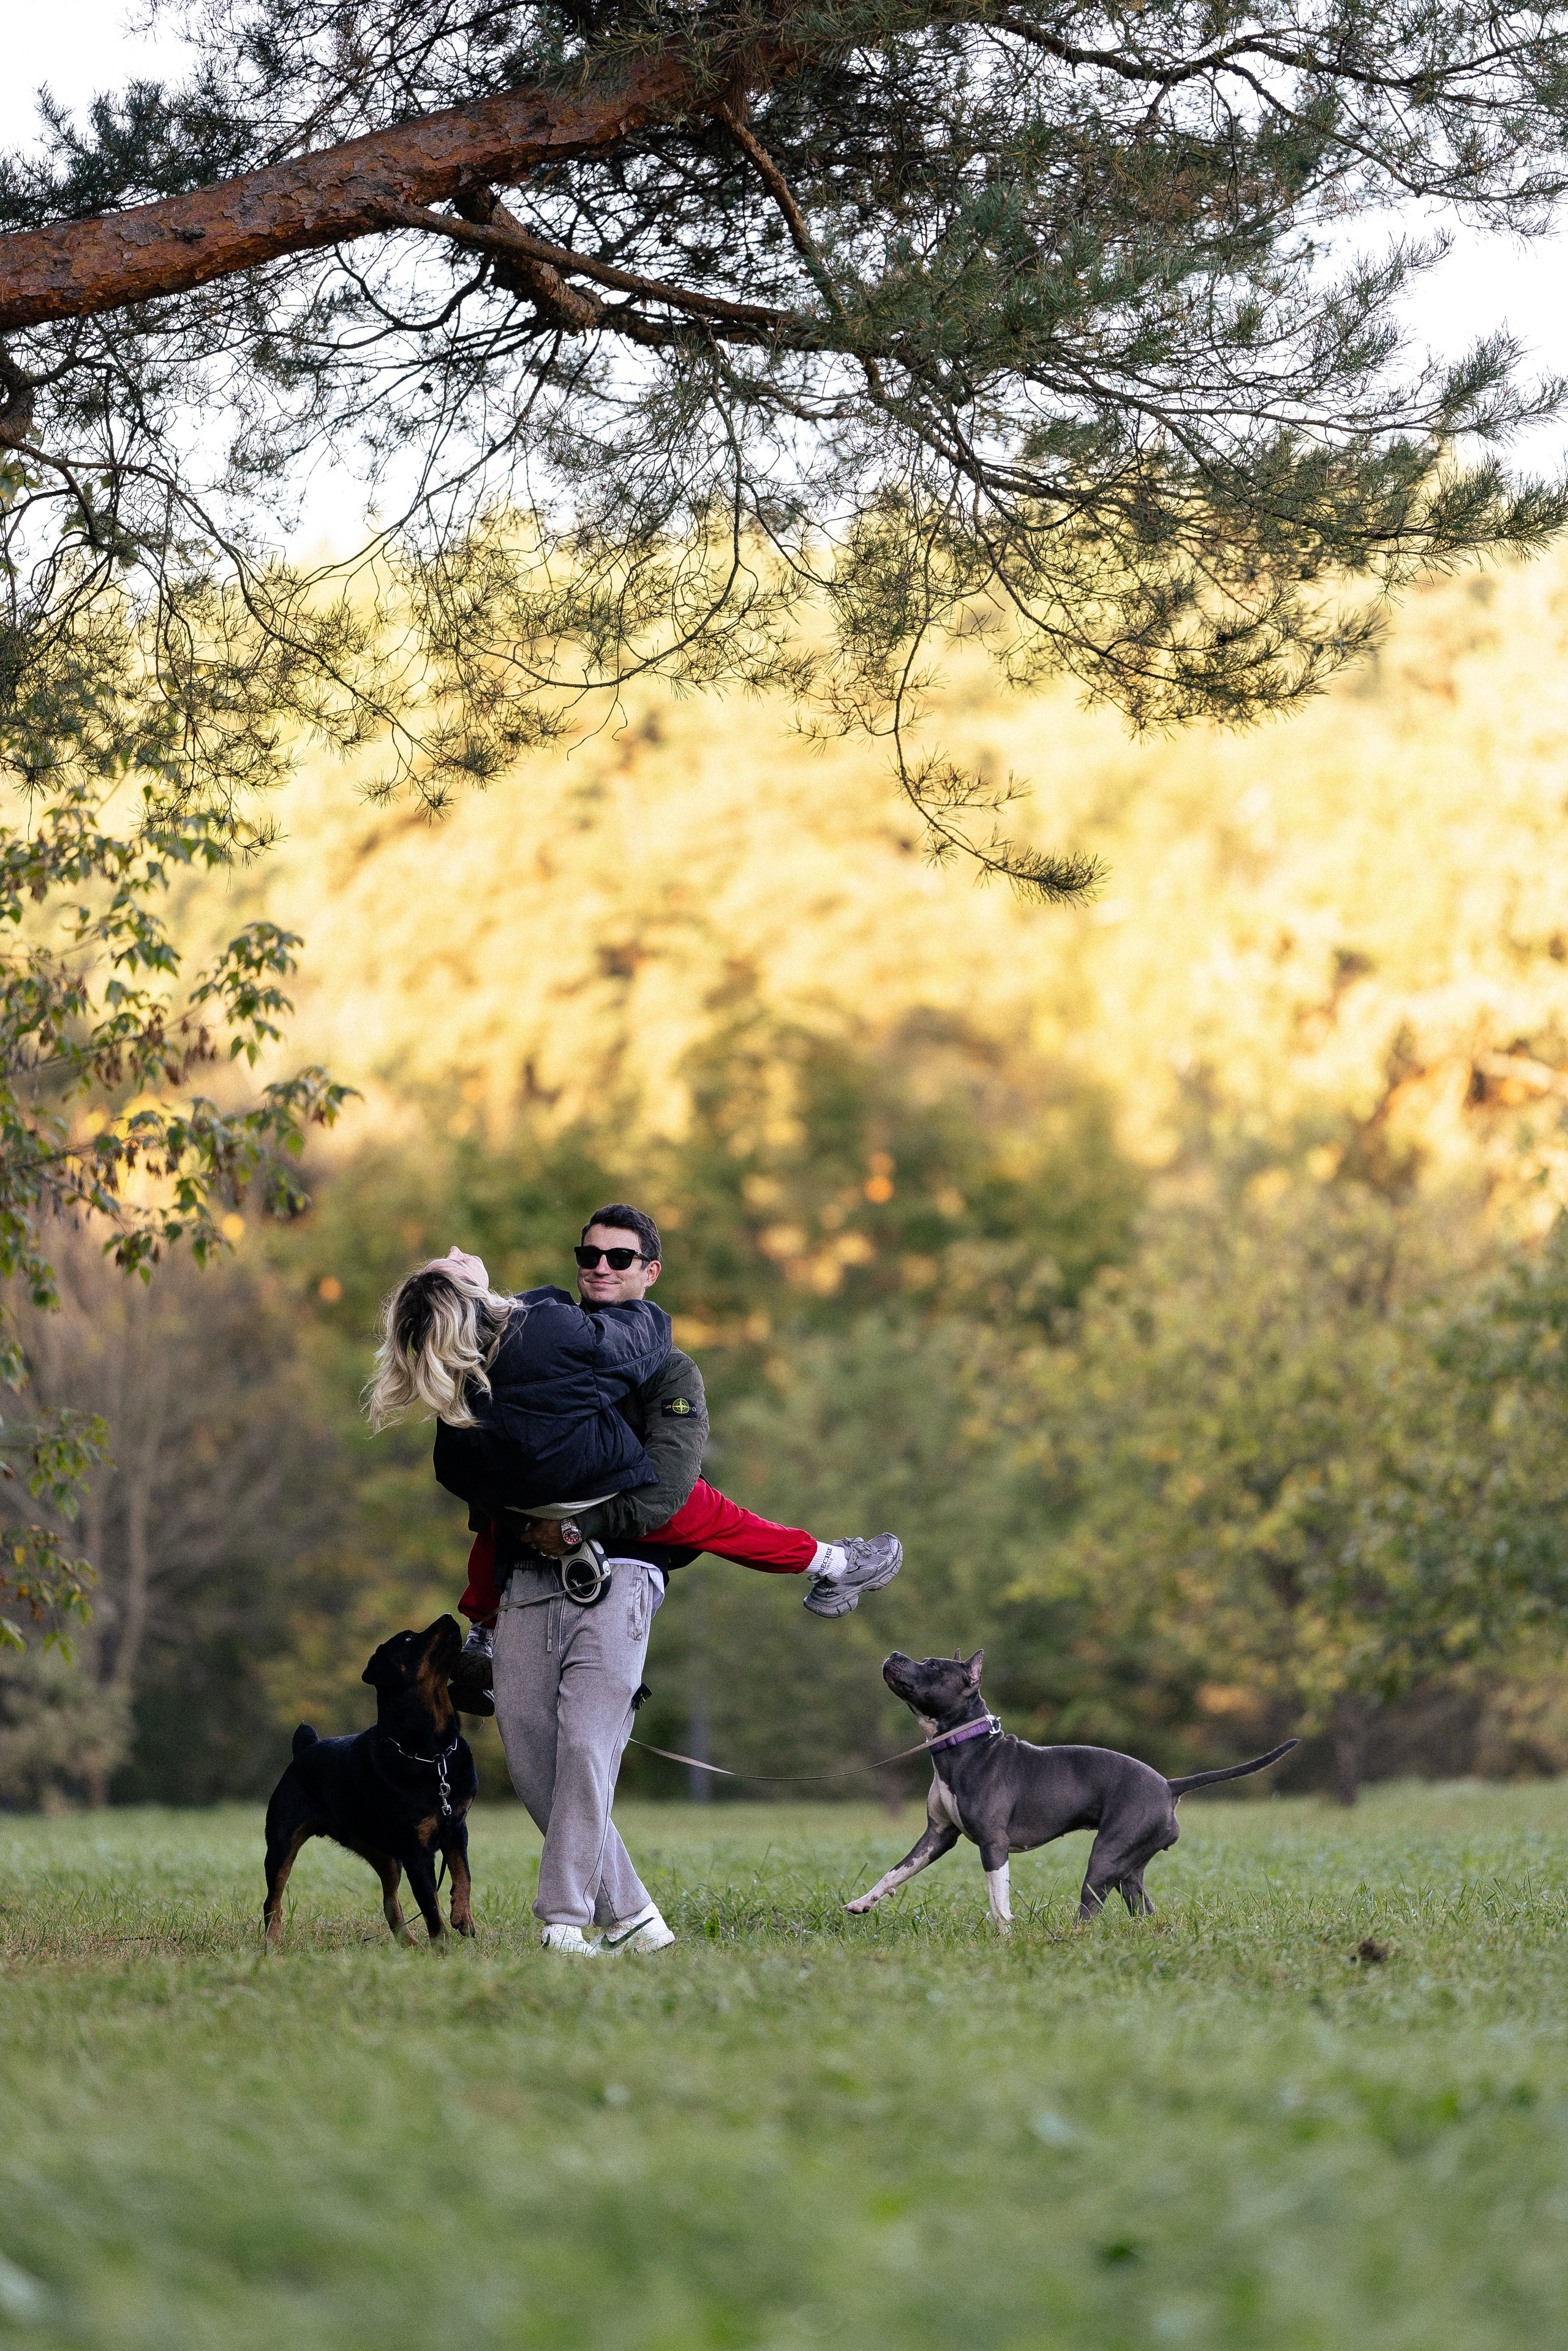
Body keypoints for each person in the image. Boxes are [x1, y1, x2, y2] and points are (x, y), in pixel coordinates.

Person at [364, 1205, 902, 1956]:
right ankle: (641, 1924)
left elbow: (670, 1489)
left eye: (621, 1258)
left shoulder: (658, 1362)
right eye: (590, 1253)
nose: (600, 1266)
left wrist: (578, 1527)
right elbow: (484, 1490)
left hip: (622, 1553)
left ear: (649, 1271)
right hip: (531, 1569)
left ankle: (831, 1561)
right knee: (539, 1767)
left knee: (696, 1520)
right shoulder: (529, 1338)